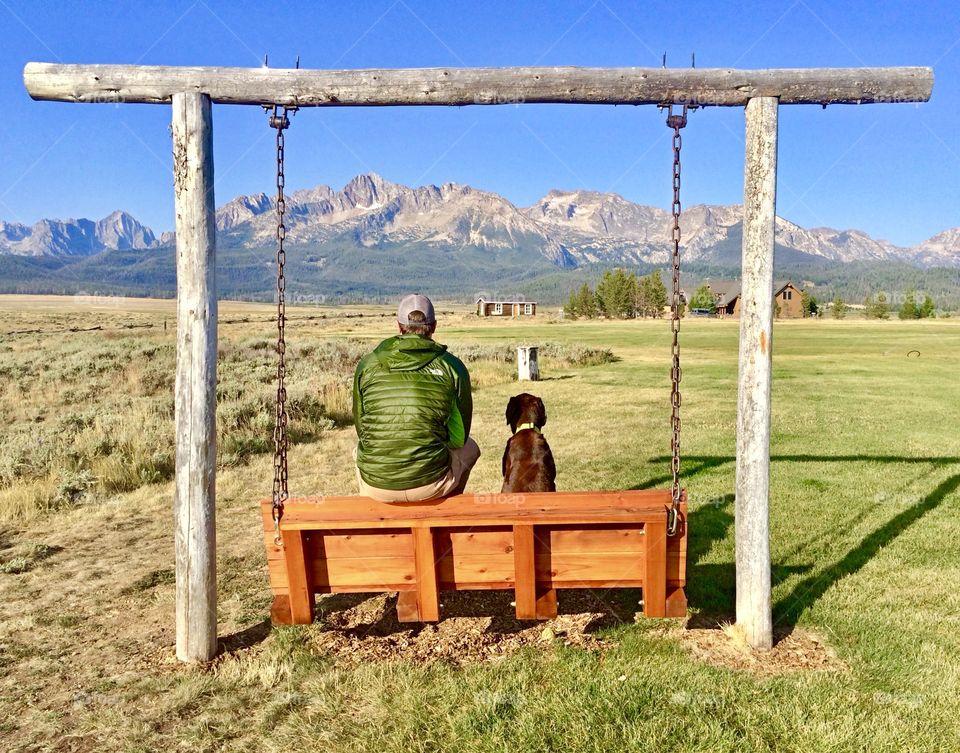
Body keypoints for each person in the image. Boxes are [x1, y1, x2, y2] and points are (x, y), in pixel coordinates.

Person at [352, 293, 480, 502]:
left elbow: (361, 428)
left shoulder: (367, 364)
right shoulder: (452, 367)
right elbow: (460, 437)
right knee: (470, 448)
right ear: (434, 326)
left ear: (399, 326)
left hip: (376, 486)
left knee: (357, 451)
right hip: (430, 484)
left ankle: (376, 507)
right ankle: (449, 505)